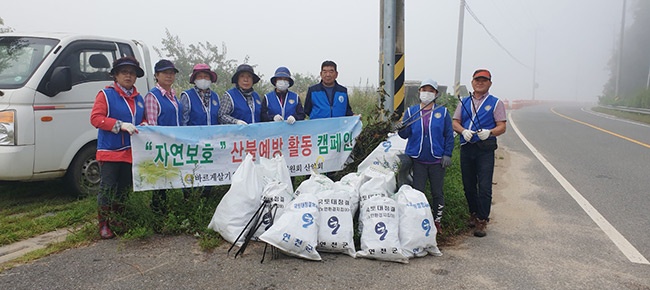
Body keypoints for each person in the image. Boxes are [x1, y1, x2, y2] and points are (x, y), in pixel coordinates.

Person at [90, 56, 146, 239]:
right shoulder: (106, 95)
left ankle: (118, 219)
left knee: (124, 188)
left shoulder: (139, 99)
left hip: (130, 152)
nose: (128, 76)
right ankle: (104, 224)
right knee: (107, 188)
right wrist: (118, 125)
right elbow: (96, 118)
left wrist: (145, 124)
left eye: (132, 73)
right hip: (110, 151)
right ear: (116, 75)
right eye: (124, 72)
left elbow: (142, 119)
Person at [452, 69, 507, 237]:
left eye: (484, 80)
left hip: (485, 148)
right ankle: (473, 213)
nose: (480, 82)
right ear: (472, 82)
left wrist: (489, 132)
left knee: (484, 185)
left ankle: (482, 220)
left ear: (489, 83)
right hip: (467, 146)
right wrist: (463, 131)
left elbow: (502, 126)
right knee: (468, 185)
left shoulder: (496, 103)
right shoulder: (464, 102)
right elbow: (455, 122)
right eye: (477, 79)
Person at [398, 79, 454, 235]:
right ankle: (417, 222)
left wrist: (447, 154)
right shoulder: (411, 112)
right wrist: (400, 128)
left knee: (437, 193)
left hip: (437, 161)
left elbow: (448, 135)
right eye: (424, 90)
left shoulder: (442, 112)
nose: (426, 93)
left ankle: (437, 222)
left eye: (430, 90)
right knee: (417, 193)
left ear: (436, 94)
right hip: (417, 160)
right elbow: (405, 135)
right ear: (419, 92)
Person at [145, 59, 183, 213]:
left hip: (175, 144)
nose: (169, 76)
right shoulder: (153, 97)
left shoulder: (173, 96)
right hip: (162, 145)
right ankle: (158, 212)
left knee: (173, 177)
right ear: (157, 75)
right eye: (165, 73)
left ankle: (168, 209)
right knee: (161, 181)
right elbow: (152, 125)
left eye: (171, 73)